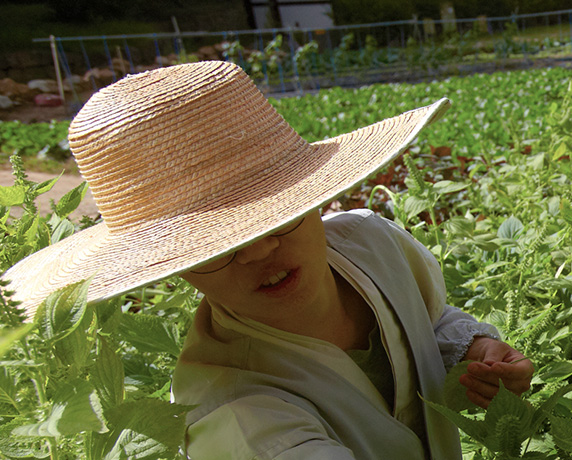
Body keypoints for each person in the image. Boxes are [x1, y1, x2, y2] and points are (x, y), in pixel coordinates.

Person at [0, 61, 536, 459]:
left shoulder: (373, 243)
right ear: (172, 267)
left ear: (316, 199)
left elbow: (428, 319)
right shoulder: (234, 414)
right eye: (216, 246)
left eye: (277, 217)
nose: (259, 250)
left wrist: (472, 348)